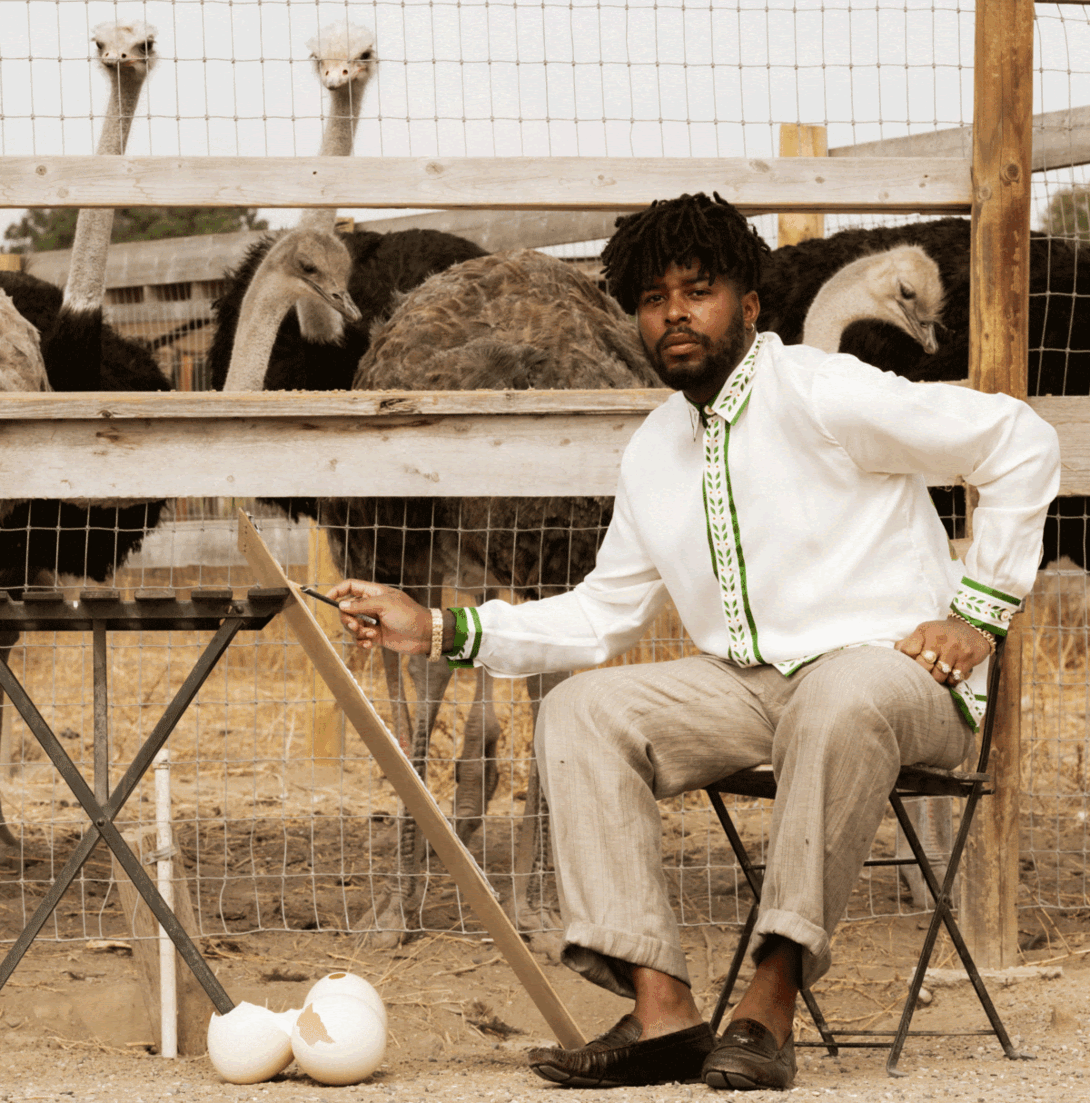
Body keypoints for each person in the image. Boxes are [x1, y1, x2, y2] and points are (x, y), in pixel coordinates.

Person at [328, 193, 1060, 1091]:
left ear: (749, 304)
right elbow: (600, 616)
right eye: (653, 297)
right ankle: (663, 1010)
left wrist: (978, 613)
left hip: (899, 680)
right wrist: (438, 625)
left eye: (699, 290)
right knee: (585, 708)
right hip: (751, 690)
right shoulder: (652, 453)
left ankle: (769, 1002)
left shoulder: (827, 390)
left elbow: (1020, 441)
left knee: (841, 693)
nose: (674, 311)